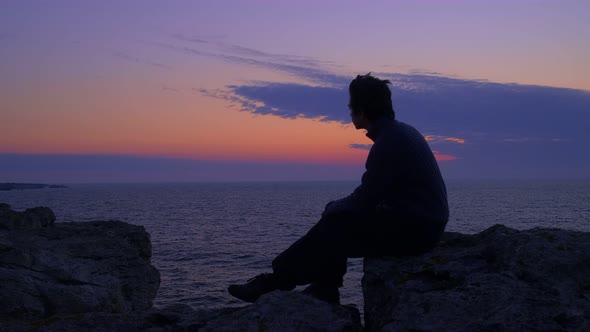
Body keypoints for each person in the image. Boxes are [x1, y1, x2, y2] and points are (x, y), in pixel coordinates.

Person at [228, 73, 449, 304]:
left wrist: (334, 207)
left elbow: (365, 199)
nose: (349, 112)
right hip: (425, 224)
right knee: (339, 219)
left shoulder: (388, 143)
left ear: (361, 110)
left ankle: (278, 282)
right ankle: (322, 286)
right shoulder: (401, 133)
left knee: (336, 220)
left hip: (418, 232)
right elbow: (377, 194)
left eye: (351, 107)